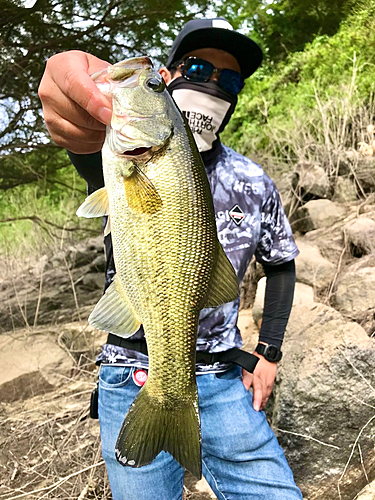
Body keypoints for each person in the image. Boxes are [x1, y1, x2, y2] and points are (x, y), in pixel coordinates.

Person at [39, 17, 303, 500]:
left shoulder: (254, 179)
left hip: (226, 379)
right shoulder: (115, 151)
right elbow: (79, 139)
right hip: (130, 376)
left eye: (230, 79)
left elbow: (281, 264)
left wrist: (269, 351)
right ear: (171, 74)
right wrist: (74, 105)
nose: (213, 83)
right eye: (200, 66)